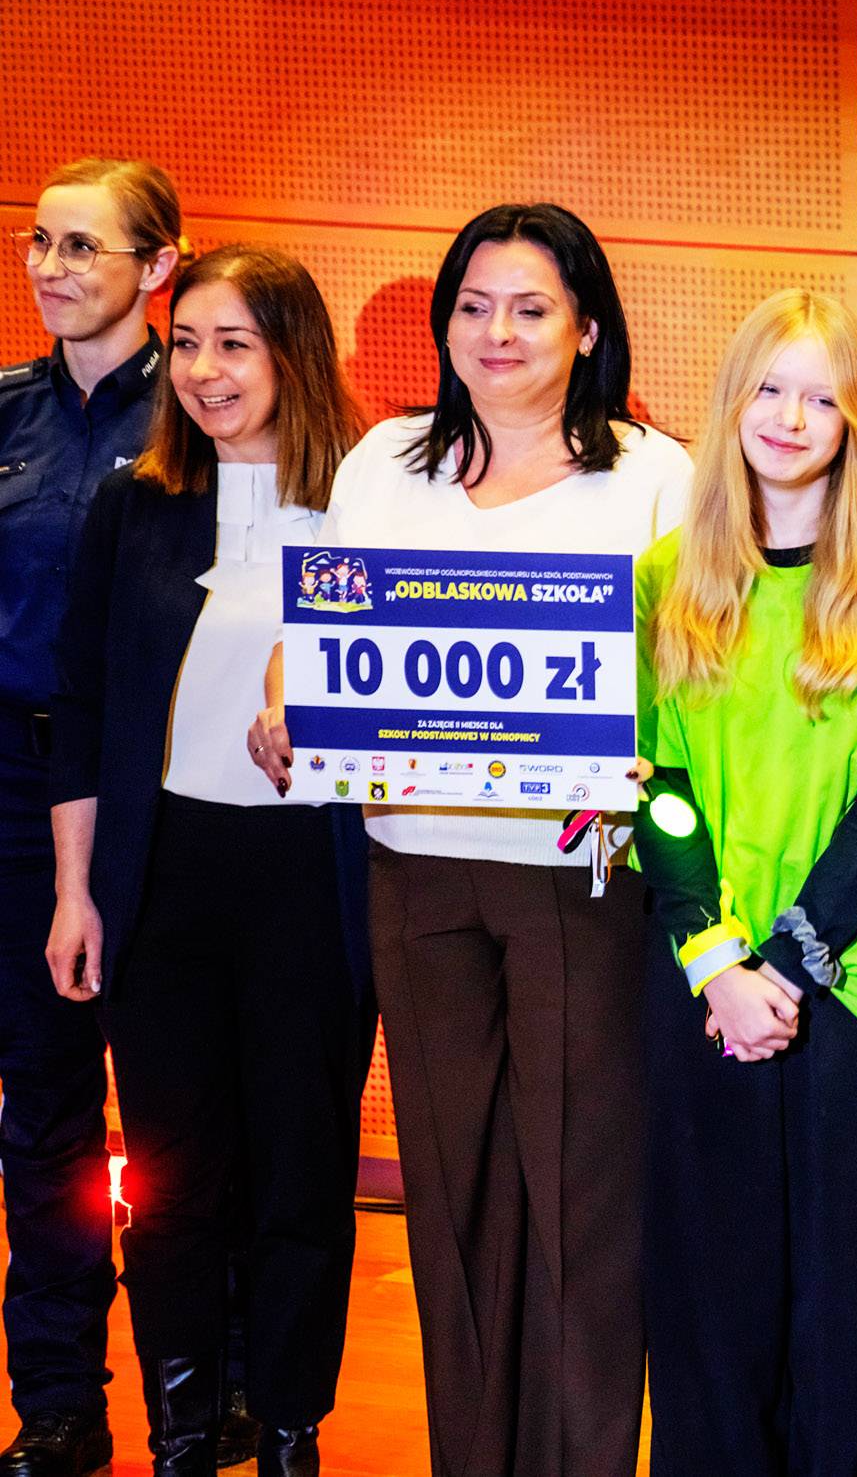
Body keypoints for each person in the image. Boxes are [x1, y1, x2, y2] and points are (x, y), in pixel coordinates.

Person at [245, 202, 690, 1477]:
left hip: (581, 878)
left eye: (531, 307)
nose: (498, 331)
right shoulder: (384, 462)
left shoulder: (656, 476)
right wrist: (285, 707)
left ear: (587, 328)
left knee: (583, 1201)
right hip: (414, 868)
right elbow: (318, 635)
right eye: (474, 306)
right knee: (451, 1193)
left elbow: (696, 671)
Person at [46, 246, 372, 1476]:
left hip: (311, 882)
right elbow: (83, 708)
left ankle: (289, 1431)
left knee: (301, 1180)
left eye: (235, 342)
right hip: (163, 880)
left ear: (295, 352)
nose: (202, 369)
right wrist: (76, 892)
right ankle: (184, 1433)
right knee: (173, 1180)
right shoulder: (132, 503)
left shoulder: (369, 502)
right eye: (186, 342)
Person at [633, 289, 857, 1473]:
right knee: (709, 1306)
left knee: (842, 1311)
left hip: (852, 986)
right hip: (705, 983)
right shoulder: (667, 574)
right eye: (769, 388)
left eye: (821, 397)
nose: (788, 416)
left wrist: (785, 962)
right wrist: (718, 961)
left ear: (854, 422)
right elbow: (658, 786)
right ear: (732, 401)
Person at [0, 157, 181, 1477]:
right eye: (38, 242)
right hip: (18, 797)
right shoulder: (3, 409)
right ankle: (60, 1400)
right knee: (47, 1107)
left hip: (162, 794)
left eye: (83, 245)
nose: (52, 268)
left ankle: (206, 1388)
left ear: (157, 265)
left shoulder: (209, 411)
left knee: (181, 1107)